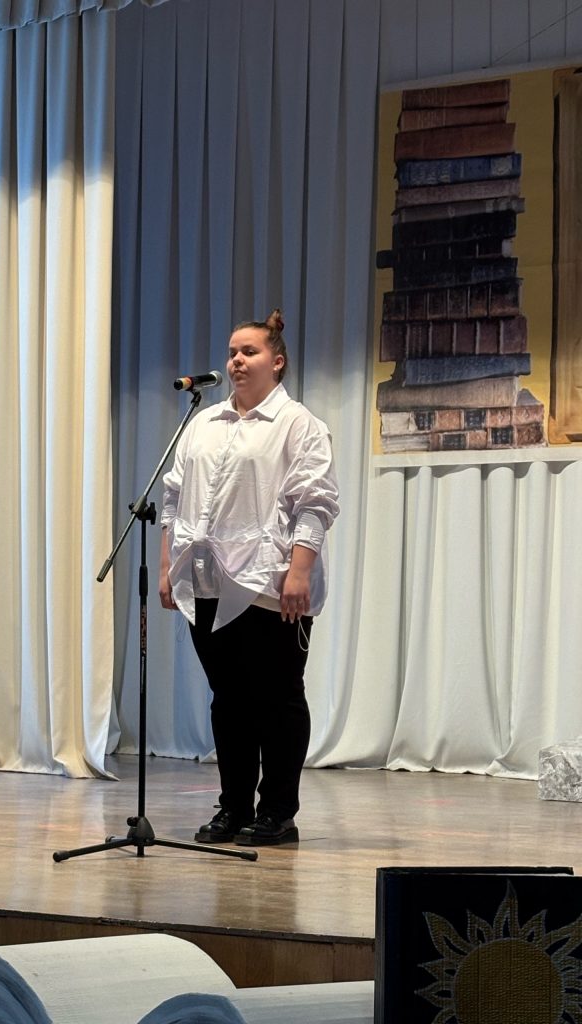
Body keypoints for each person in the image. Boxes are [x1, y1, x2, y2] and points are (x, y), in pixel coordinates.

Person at [159, 310, 339, 846]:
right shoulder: (203, 422)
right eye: (232, 352)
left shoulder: (298, 424)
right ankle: (233, 807)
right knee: (228, 699)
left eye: (250, 352)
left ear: (277, 362)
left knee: (277, 700)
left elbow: (315, 502)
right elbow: (172, 498)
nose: (237, 360)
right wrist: (169, 566)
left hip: (268, 585)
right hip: (207, 582)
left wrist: (299, 571)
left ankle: (278, 812)